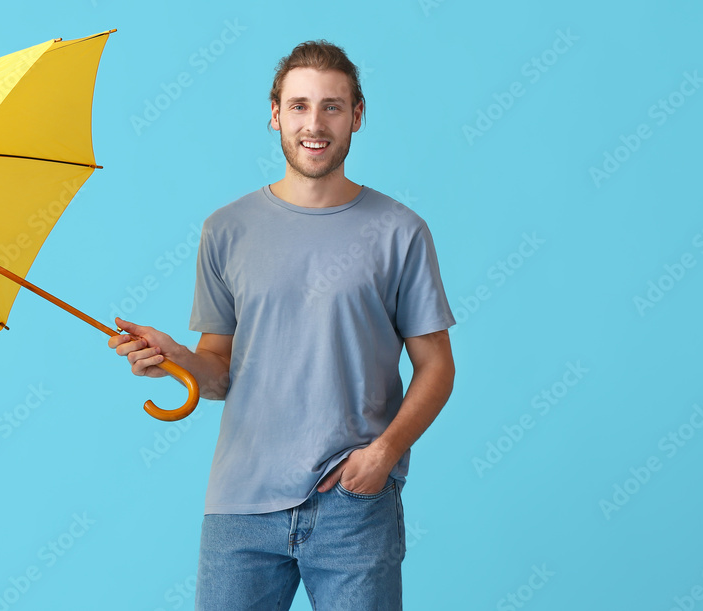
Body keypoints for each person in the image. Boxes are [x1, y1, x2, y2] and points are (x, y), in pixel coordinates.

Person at [109, 40, 456, 610]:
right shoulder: (226, 229)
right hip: (240, 506)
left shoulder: (400, 231)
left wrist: (385, 455)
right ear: (275, 114)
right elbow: (220, 371)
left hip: (352, 504)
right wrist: (177, 358)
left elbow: (437, 368)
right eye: (298, 106)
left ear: (357, 116)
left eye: (331, 106)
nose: (313, 124)